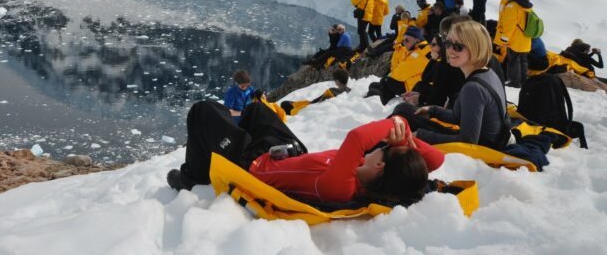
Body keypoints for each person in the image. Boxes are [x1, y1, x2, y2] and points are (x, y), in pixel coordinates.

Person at [166, 100, 443, 206]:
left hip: (254, 164)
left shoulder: (341, 187)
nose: (380, 147)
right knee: (257, 109)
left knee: (203, 111)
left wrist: (400, 123)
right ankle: (230, 131)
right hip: (289, 151)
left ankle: (193, 176)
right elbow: (436, 160)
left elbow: (357, 137)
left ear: (381, 166)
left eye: (385, 150)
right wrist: (406, 139)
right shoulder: (365, 169)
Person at [393, 20, 509, 149]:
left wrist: (422, 135)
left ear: (475, 47)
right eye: (448, 44)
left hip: (482, 147)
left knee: (400, 118)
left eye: (458, 46)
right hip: (485, 140)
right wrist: (432, 111)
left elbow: (468, 141)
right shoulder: (488, 73)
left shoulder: (473, 88)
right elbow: (459, 116)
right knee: (404, 110)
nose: (450, 50)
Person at [366, 26, 431, 105]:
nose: (404, 43)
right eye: (403, 40)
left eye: (407, 40)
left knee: (385, 82)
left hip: (412, 88)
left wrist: (390, 76)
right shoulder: (414, 49)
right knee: (375, 85)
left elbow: (400, 72)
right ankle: (381, 96)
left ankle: (388, 105)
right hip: (407, 83)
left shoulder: (421, 53)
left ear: (416, 39)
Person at [497, 0, 533, 87]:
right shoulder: (526, 4)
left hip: (515, 39)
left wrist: (504, 39)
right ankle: (523, 81)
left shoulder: (512, 6)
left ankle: (514, 82)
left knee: (513, 61)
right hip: (525, 38)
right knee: (523, 61)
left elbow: (509, 24)